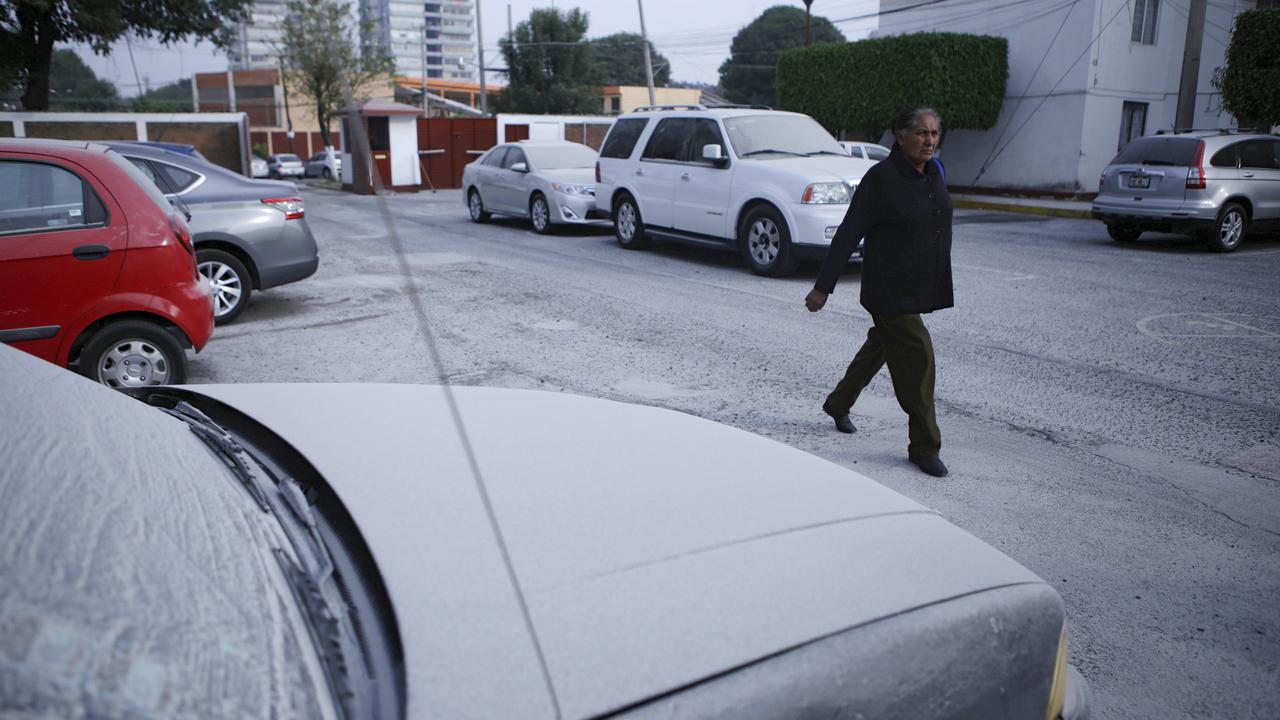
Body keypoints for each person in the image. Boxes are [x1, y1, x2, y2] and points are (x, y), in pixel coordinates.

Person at [804, 107, 953, 478]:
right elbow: (849, 231)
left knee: (883, 345)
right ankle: (924, 446)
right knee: (918, 355)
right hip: (888, 288)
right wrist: (824, 287)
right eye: (921, 133)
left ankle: (838, 403)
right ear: (899, 136)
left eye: (934, 133)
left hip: (917, 283)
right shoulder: (881, 178)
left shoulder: (934, 173)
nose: (929, 141)